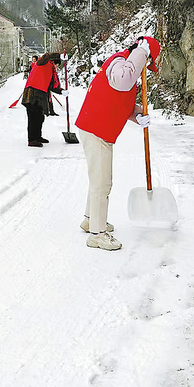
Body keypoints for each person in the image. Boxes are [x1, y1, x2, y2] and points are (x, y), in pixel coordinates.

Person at [74, 36, 160, 251]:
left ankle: (90, 220)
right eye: (148, 62)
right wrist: (141, 53)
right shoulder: (120, 62)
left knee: (100, 180)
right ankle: (97, 234)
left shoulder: (125, 67)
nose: (146, 67)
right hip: (96, 130)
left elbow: (119, 100)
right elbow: (122, 81)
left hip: (99, 129)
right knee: (102, 183)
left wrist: (137, 114)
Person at [21, 53, 63, 147]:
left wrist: (61, 91)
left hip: (41, 94)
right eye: (57, 64)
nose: (57, 67)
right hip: (32, 93)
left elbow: (51, 85)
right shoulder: (43, 63)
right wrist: (59, 55)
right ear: (53, 61)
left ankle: (38, 136)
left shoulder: (51, 70)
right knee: (33, 117)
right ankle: (32, 139)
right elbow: (46, 56)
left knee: (40, 117)